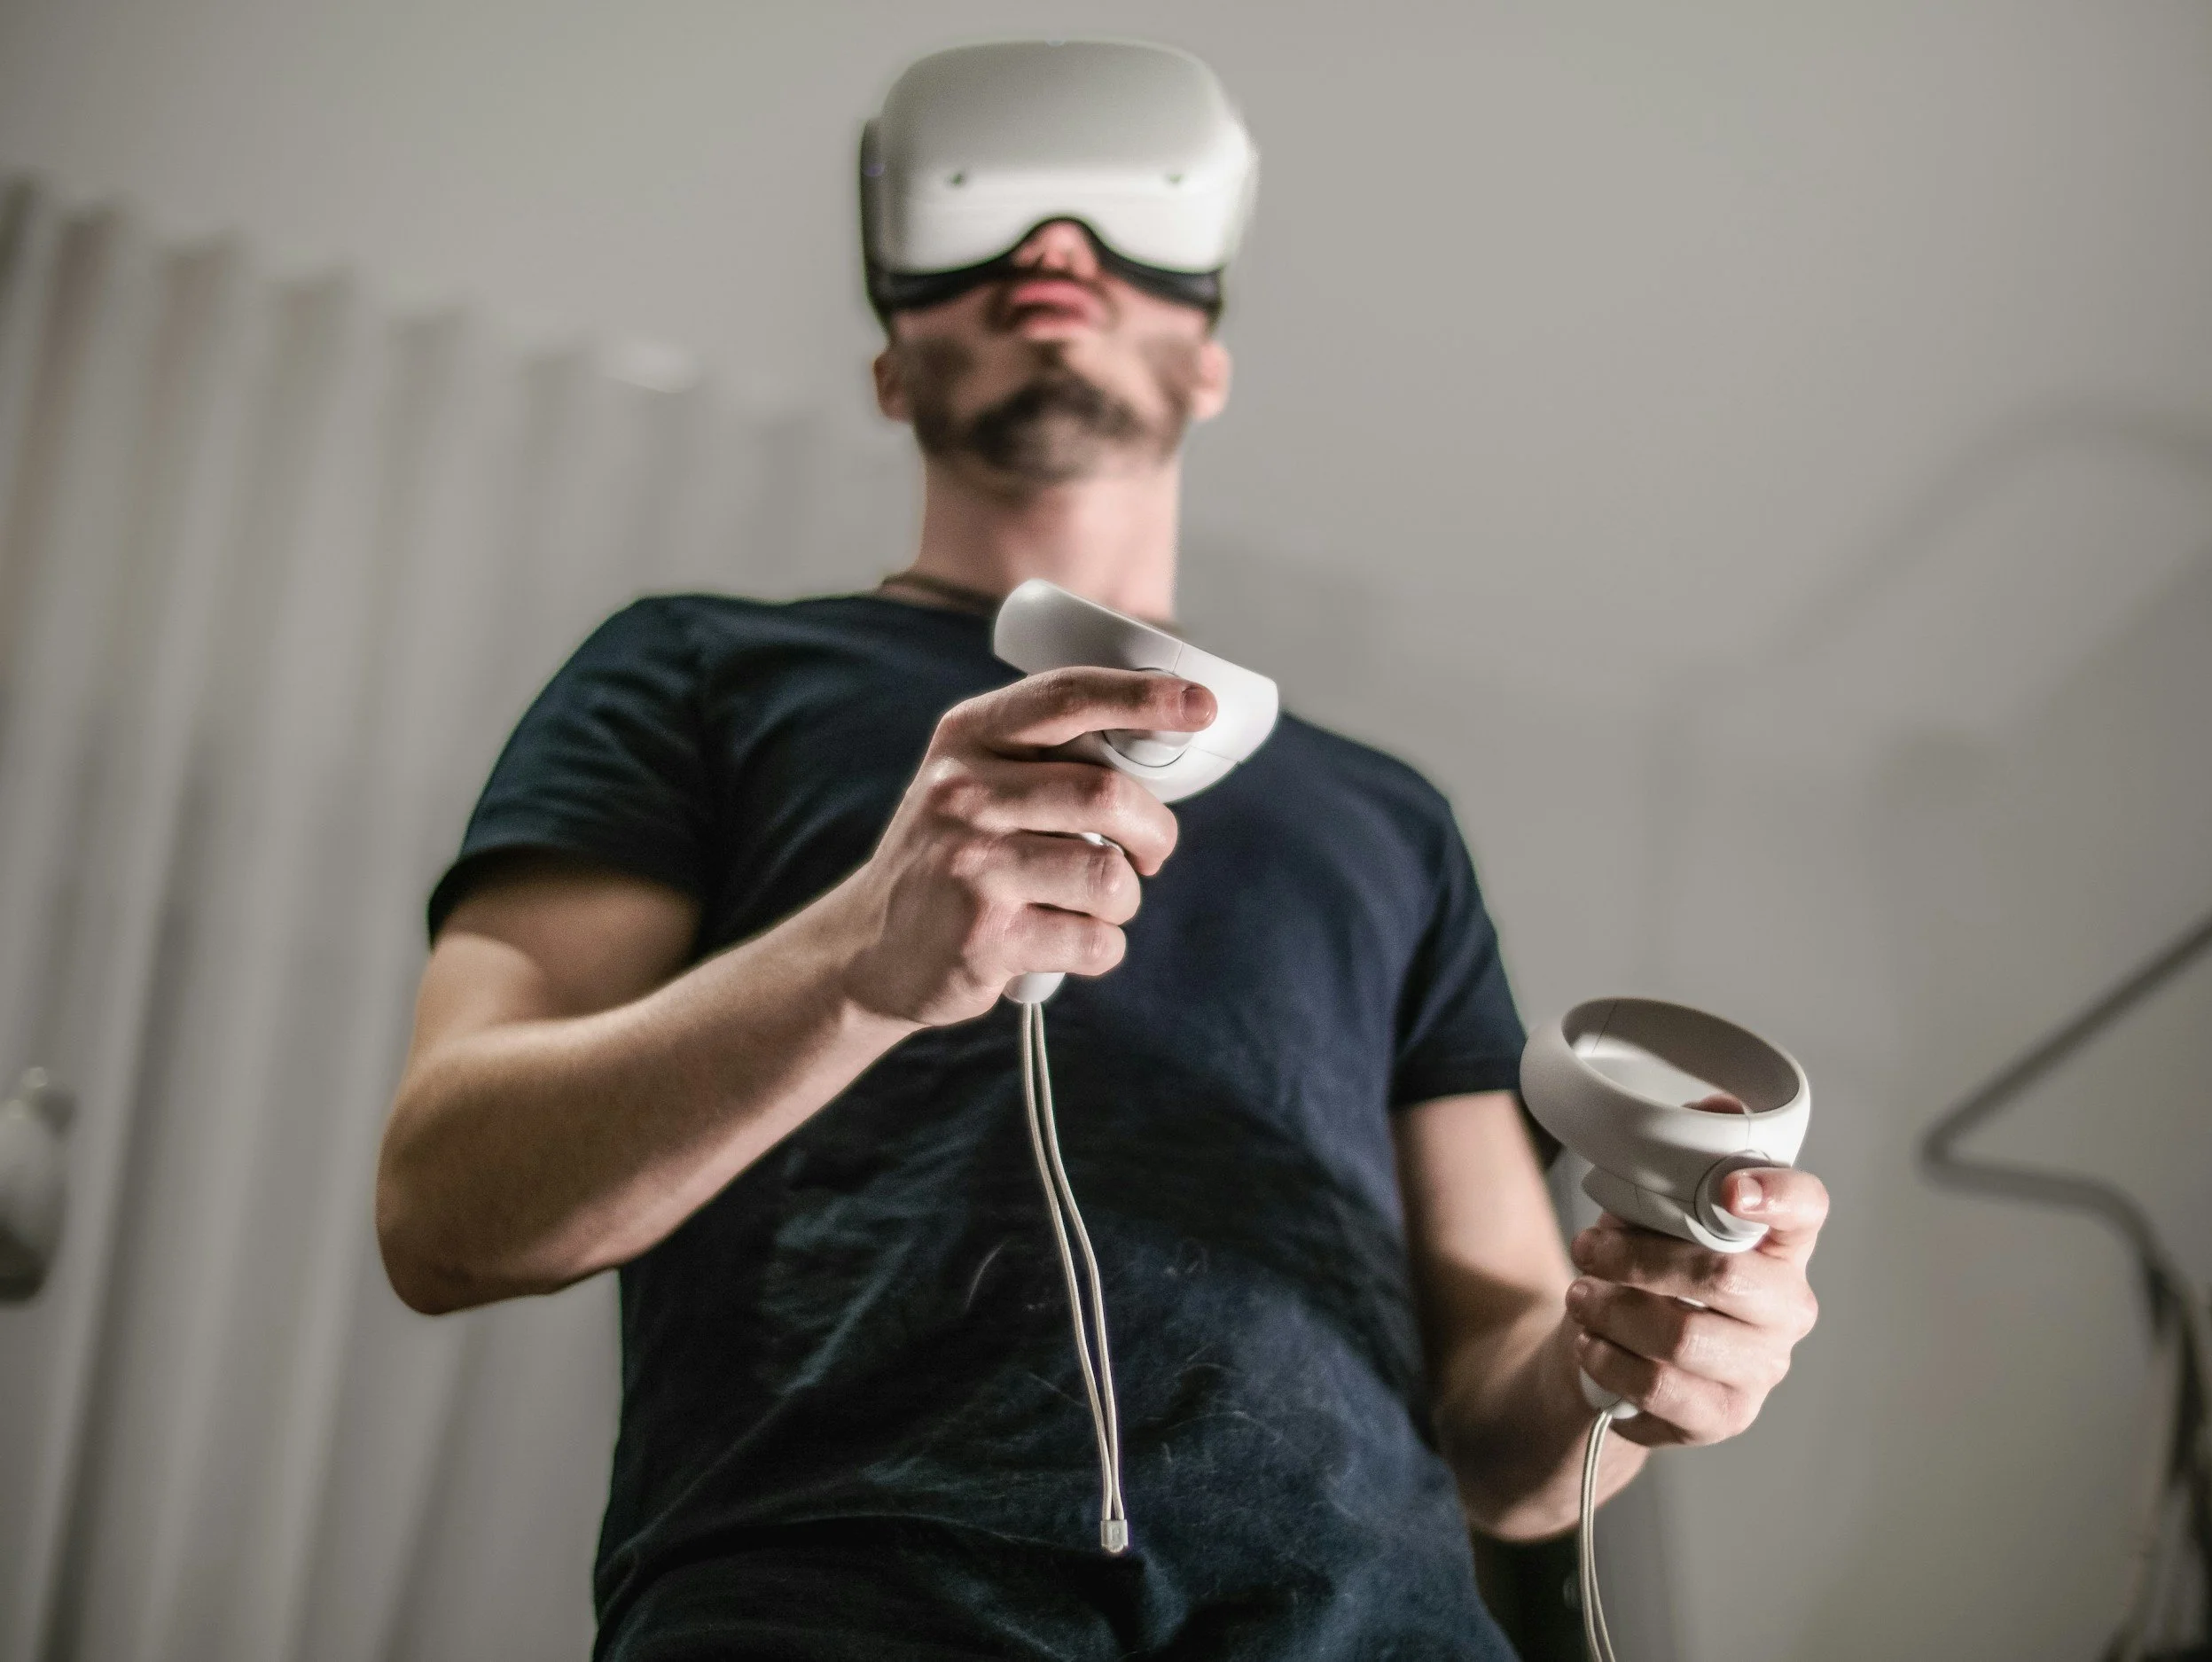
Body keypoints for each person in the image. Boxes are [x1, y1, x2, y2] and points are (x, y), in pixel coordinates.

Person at [374, 39, 1829, 1662]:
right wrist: (859, 960)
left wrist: (1639, 1361)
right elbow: (445, 1203)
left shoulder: (1391, 819)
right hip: (839, 1612)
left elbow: (1507, 1441)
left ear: (1208, 362)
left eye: (1120, 239)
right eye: (982, 240)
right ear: (890, 371)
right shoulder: (694, 670)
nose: (1055, 250)